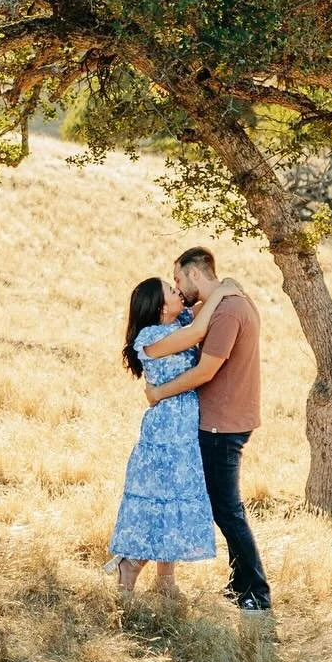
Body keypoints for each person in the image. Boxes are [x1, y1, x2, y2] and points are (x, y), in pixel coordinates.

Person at [143, 246, 272, 612]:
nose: (178, 288)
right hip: (226, 418)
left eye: (179, 279)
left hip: (222, 423)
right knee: (223, 507)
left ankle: (256, 593)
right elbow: (194, 324)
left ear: (194, 274)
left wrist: (158, 394)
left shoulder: (229, 310)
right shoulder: (227, 302)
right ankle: (239, 584)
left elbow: (205, 371)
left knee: (227, 509)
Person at [106, 273, 237, 597]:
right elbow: (198, 330)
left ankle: (165, 581)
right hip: (166, 426)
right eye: (169, 288)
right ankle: (130, 563)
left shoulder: (177, 320)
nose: (176, 289)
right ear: (158, 304)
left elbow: (201, 311)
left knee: (174, 497)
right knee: (160, 497)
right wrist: (222, 292)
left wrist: (224, 287)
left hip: (184, 421)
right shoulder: (151, 338)